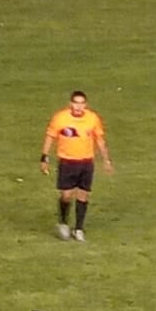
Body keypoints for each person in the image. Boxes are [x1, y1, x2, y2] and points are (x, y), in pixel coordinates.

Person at [41, 91, 112, 241]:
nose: (78, 107)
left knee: (83, 195)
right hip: (67, 162)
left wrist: (106, 160)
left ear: (85, 105)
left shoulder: (92, 118)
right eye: (76, 103)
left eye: (81, 103)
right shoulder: (60, 118)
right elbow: (50, 136)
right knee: (66, 195)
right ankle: (63, 222)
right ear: (70, 104)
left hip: (86, 162)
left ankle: (79, 228)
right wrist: (44, 157)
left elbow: (99, 140)